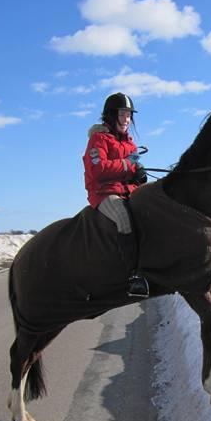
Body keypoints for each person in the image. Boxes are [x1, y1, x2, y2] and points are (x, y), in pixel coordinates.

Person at [83, 92, 149, 297]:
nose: (126, 119)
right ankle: (133, 277)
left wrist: (139, 174)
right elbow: (98, 169)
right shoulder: (98, 139)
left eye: (129, 115)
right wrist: (128, 165)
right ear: (111, 115)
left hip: (127, 191)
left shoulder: (130, 143)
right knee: (123, 218)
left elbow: (130, 169)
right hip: (104, 193)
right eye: (122, 114)